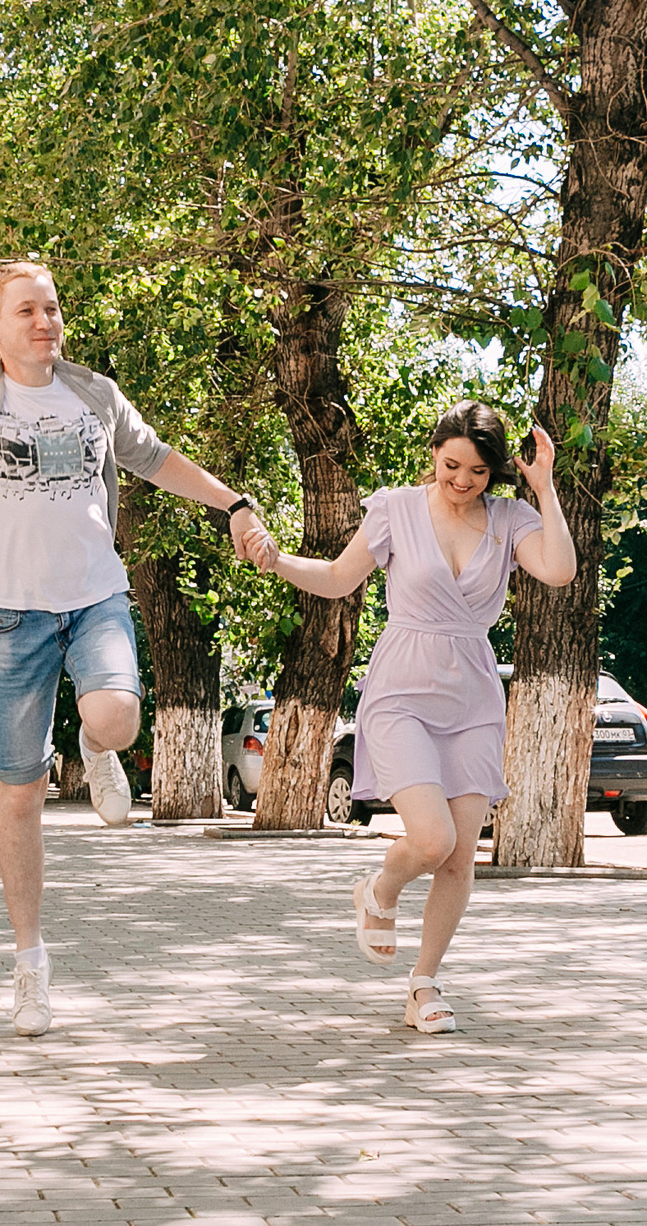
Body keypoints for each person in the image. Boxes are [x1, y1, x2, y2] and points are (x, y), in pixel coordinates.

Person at [0, 259, 268, 1036]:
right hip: (12, 615)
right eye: (26, 310)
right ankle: (30, 966)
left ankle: (98, 745)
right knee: (19, 793)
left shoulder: (92, 394)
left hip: (94, 595)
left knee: (119, 715)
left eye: (51, 308)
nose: (44, 321)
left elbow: (155, 458)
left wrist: (235, 503)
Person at [238, 401, 576, 1034]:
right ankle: (381, 889)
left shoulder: (510, 519)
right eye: (451, 465)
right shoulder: (395, 508)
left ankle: (424, 982)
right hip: (402, 690)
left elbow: (559, 570)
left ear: (494, 471)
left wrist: (545, 486)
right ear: (434, 455)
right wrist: (277, 561)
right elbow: (340, 578)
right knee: (431, 839)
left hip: (473, 696)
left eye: (477, 471)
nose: (462, 481)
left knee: (458, 858)